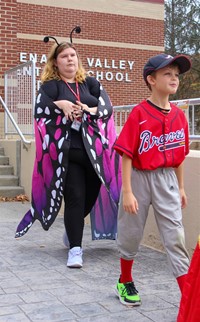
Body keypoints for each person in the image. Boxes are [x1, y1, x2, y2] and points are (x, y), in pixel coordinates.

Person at [15, 39, 121, 268]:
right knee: (74, 197)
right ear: (55, 62)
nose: (69, 59)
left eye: (72, 55)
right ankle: (75, 248)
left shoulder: (90, 83)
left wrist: (87, 110)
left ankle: (72, 229)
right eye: (64, 56)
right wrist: (61, 105)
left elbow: (106, 109)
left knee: (89, 199)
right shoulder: (51, 86)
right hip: (67, 153)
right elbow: (40, 111)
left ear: (77, 59)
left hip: (95, 155)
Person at [113, 53, 191, 306]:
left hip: (167, 178)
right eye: (167, 73)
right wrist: (127, 191)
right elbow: (126, 154)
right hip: (138, 177)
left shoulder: (180, 116)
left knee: (175, 236)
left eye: (176, 74)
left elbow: (179, 156)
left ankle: (189, 298)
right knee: (131, 232)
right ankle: (124, 281)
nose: (174, 78)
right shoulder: (139, 112)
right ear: (151, 79)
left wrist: (180, 187)